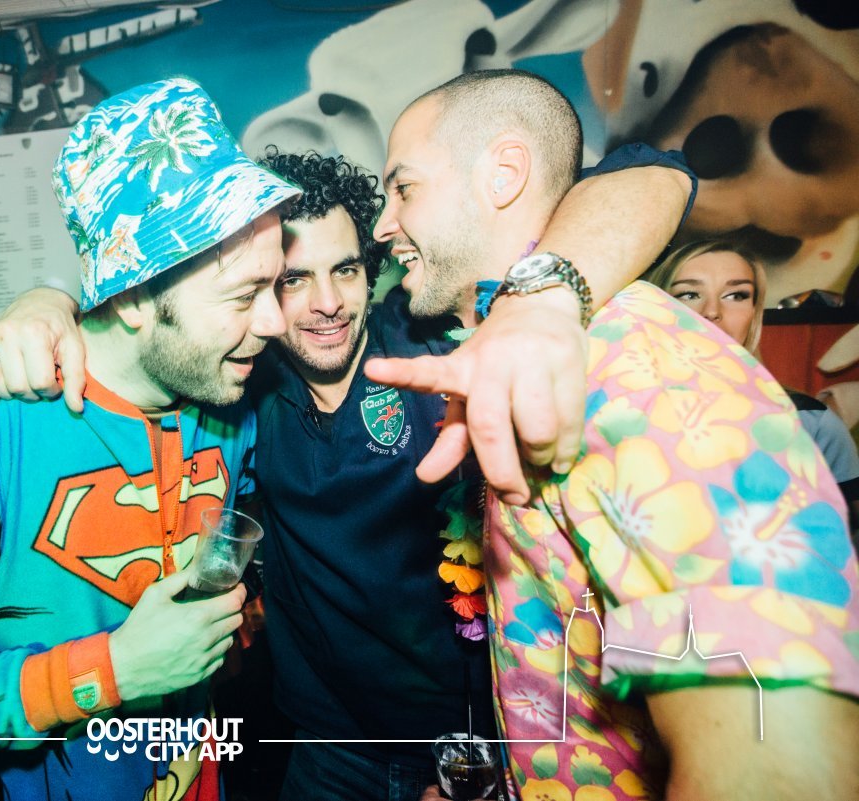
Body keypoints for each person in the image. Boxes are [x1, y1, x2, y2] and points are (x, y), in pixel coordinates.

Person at [0, 140, 693, 801]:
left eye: (345, 270)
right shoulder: (240, 391)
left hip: (469, 747)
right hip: (323, 749)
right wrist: (48, 300)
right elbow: (147, 326)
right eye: (293, 279)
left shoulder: (439, 345)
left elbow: (654, 172)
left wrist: (545, 303)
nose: (327, 303)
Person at [363, 69, 859, 800]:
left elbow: (778, 765)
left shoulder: (642, 368)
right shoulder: (528, 351)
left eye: (404, 188)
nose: (383, 224)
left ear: (503, 173)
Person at [0, 78, 301, 801]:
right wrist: (109, 671)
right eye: (242, 295)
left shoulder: (228, 404)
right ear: (133, 298)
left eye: (275, 285)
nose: (274, 322)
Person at [646, 239, 859, 524]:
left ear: (754, 312)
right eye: (688, 294)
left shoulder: (809, 420)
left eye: (736, 295)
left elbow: (844, 536)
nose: (711, 311)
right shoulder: (621, 413)